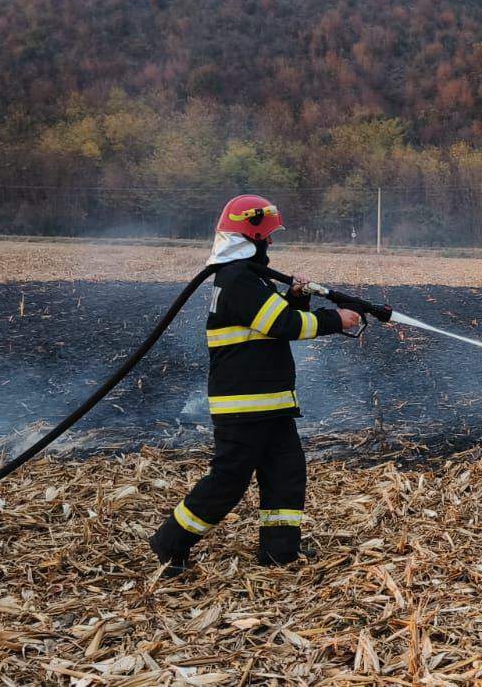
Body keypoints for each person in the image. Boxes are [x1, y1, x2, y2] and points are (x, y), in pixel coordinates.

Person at [148, 195, 365, 577]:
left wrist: (295, 297)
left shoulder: (246, 279)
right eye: (268, 237)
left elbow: (273, 320)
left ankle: (279, 553)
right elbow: (285, 326)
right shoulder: (237, 280)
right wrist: (338, 319)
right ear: (253, 235)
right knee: (228, 482)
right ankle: (170, 541)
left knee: (286, 474)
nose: (272, 243)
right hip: (245, 406)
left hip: (269, 403)